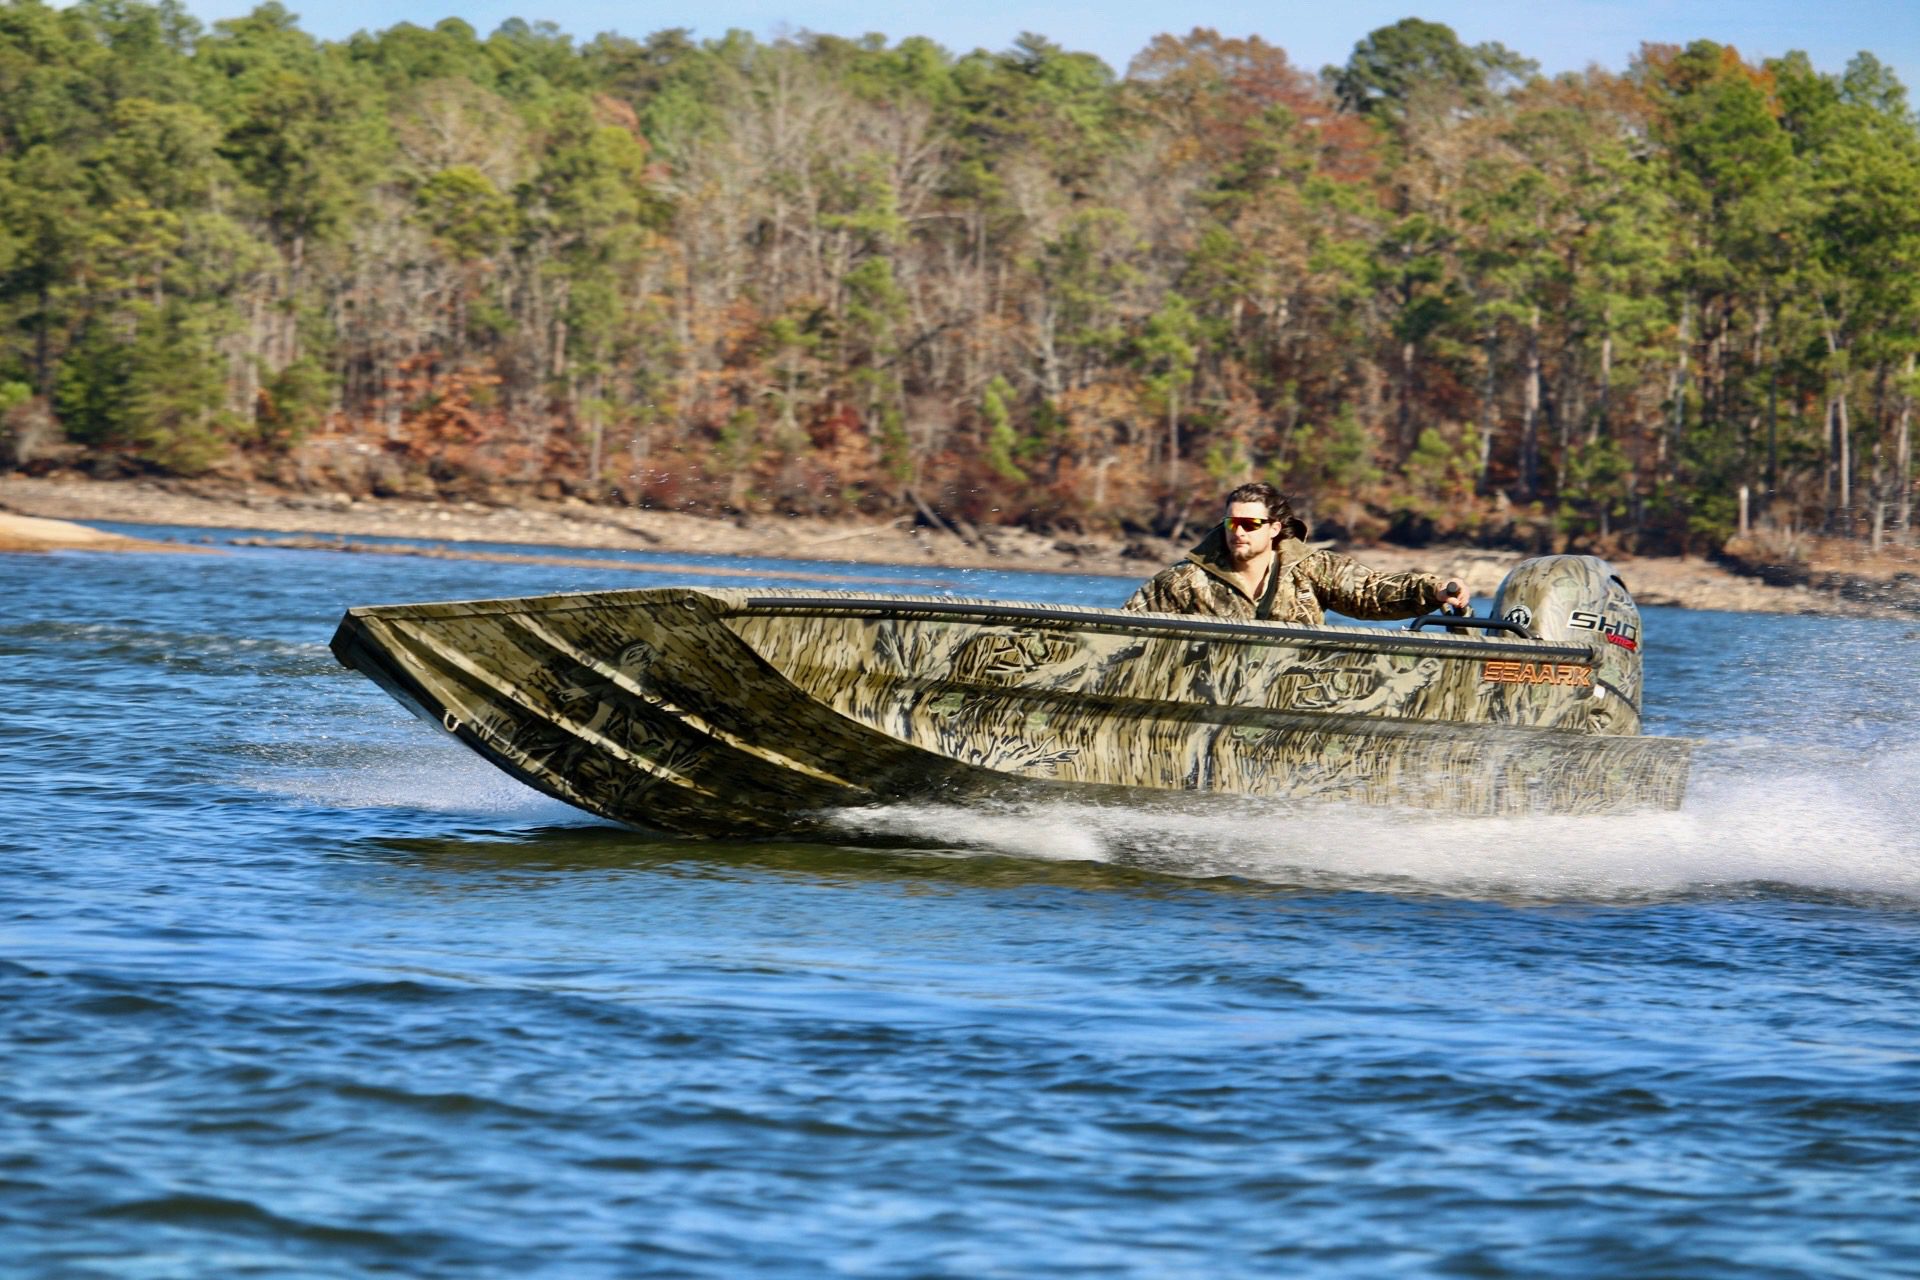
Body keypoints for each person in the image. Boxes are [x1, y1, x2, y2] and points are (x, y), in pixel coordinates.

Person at [1122, 482, 1468, 624]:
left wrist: (1432, 590)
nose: (1239, 531)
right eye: (1231, 523)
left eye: (1250, 523)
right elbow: (1126, 627)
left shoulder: (1311, 569)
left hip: (1292, 700)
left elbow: (1368, 591)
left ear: (1274, 529)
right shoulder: (1184, 580)